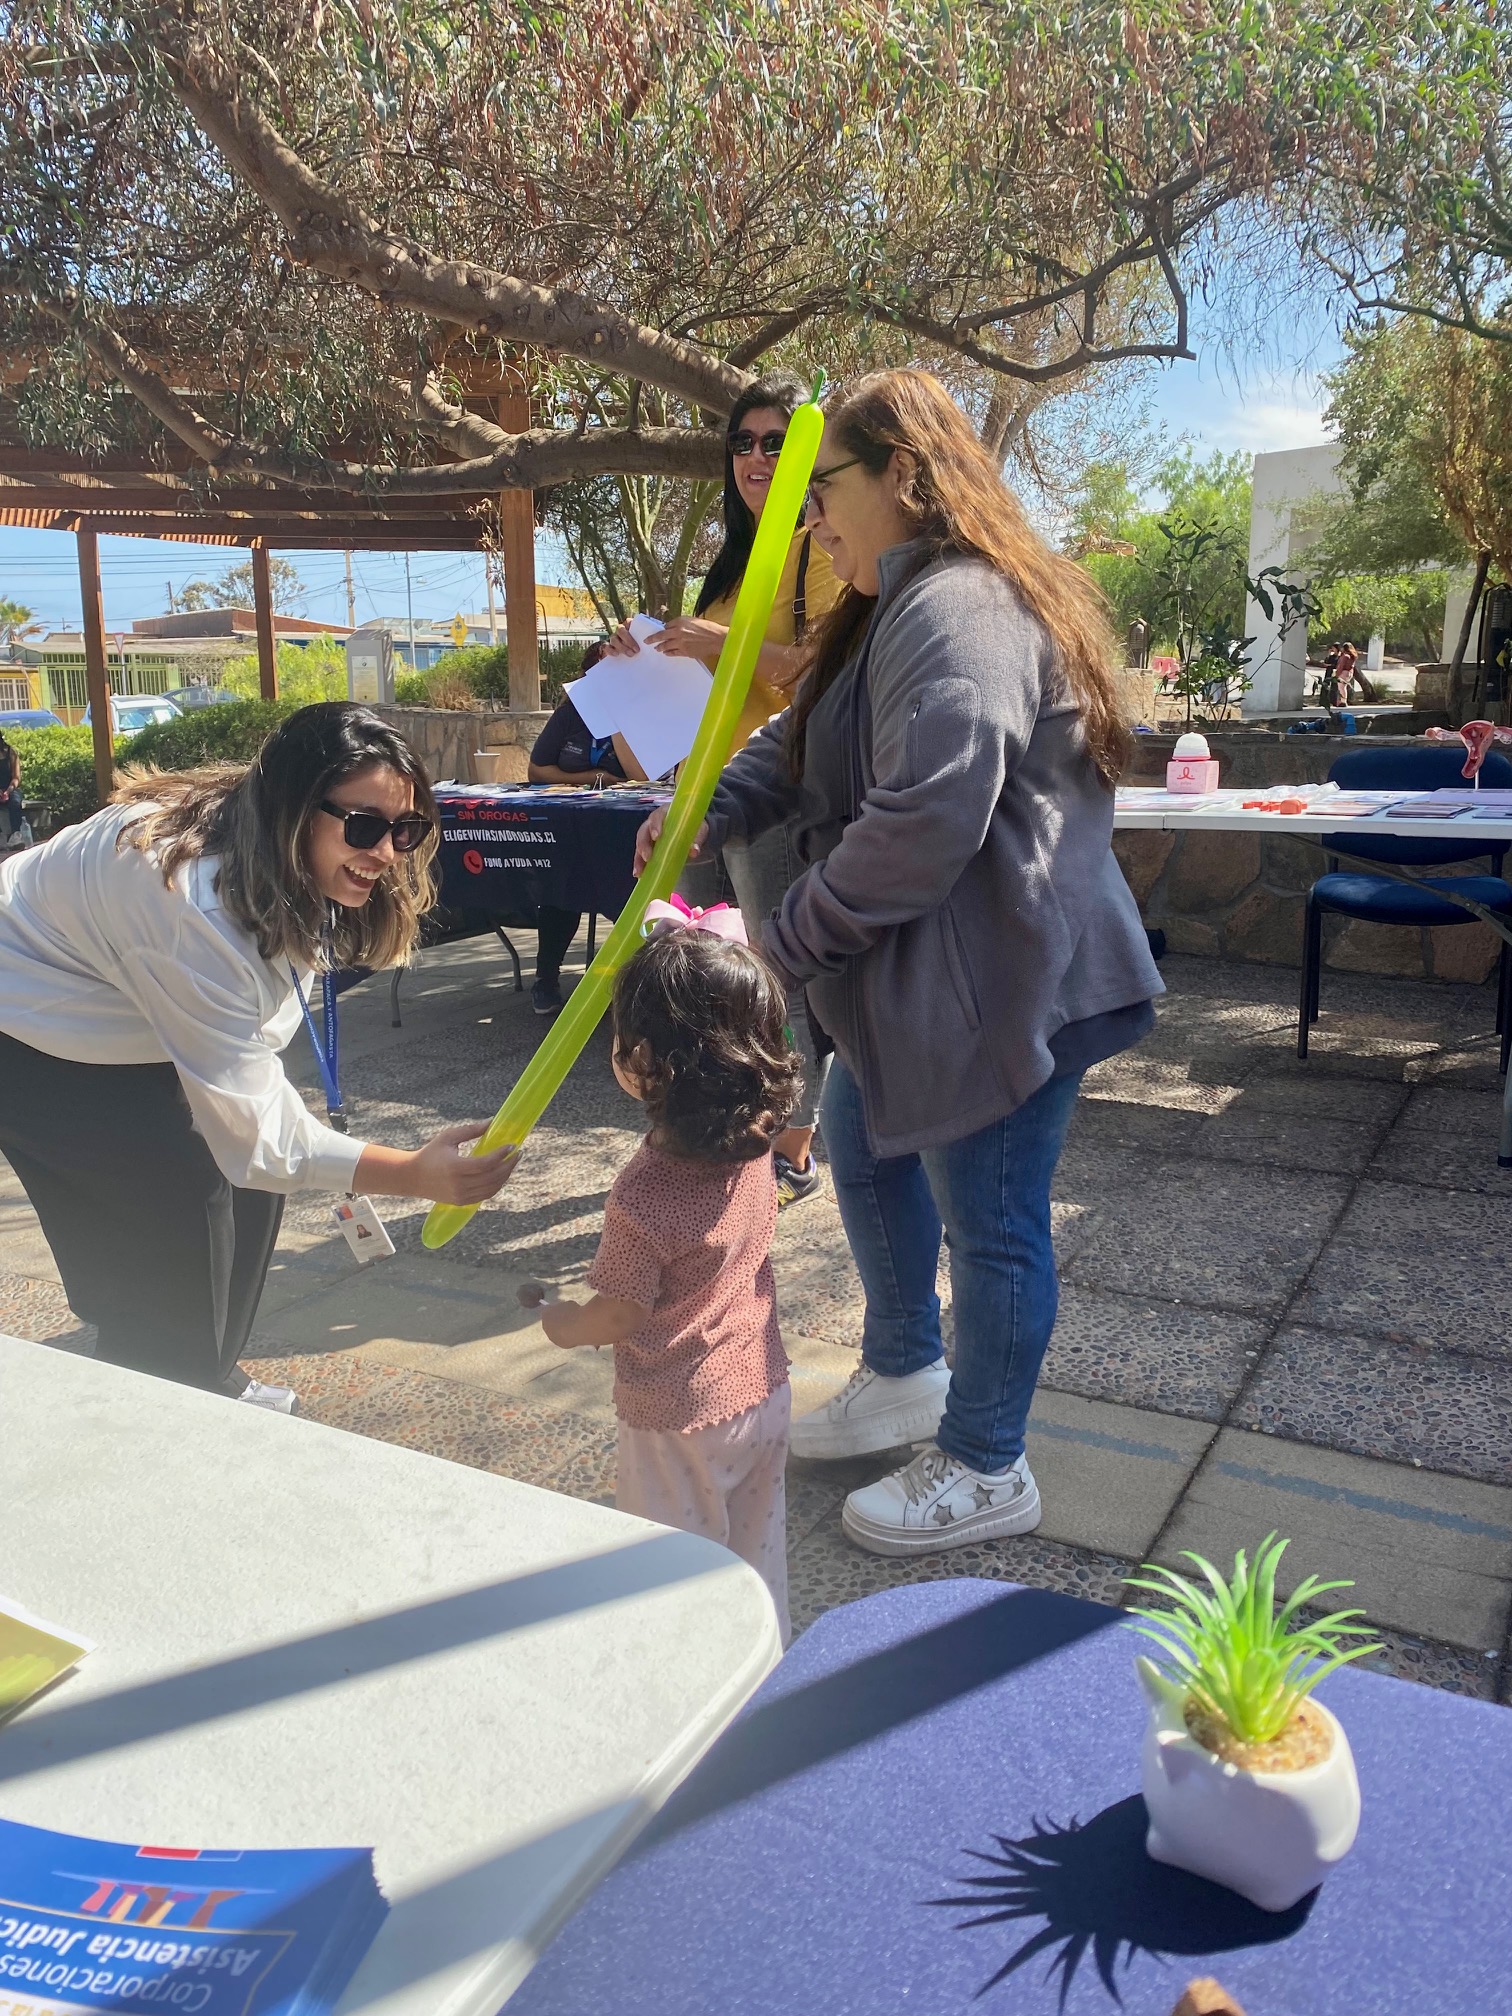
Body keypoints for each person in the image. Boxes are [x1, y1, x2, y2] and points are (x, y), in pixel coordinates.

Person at [633, 368, 1163, 1557]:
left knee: (994, 1224)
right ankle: (906, 1372)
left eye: (822, 486)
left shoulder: (960, 606)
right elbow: (793, 737)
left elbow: (929, 815)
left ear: (906, 479)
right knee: (867, 1161)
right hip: (926, 991)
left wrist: (781, 952)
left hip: (1009, 993)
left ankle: (987, 1462)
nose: (804, 514)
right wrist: (706, 809)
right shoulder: (884, 606)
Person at [0, 702, 519, 1409]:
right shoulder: (192, 905)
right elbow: (258, 1143)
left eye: (407, 828)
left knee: (242, 1193)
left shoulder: (262, 829)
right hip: (30, 1013)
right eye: (364, 828)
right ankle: (163, 1401)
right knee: (170, 1214)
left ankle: (207, 1374)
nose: (387, 854)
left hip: (115, 984)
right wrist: (413, 1175)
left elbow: (254, 1106)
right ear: (295, 806)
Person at [523, 914, 801, 1640]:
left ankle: (690, 1673)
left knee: (673, 1568)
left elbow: (618, 1313)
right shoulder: (758, 1140)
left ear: (638, 1060)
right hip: (763, 1385)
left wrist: (560, 1321)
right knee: (755, 1543)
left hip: (678, 1414)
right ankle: (762, 1652)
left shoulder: (643, 1194)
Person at [605, 373, 841, 1208]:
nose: (755, 456)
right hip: (701, 788)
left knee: (774, 976)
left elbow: (817, 674)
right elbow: (715, 675)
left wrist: (716, 637)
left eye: (775, 441)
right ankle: (718, 1137)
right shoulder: (736, 561)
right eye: (741, 442)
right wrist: (646, 658)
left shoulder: (821, 547)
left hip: (773, 789)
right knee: (702, 975)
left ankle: (791, 1148)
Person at [525, 640, 627, 1017]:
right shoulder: (570, 714)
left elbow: (643, 775)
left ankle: (638, 982)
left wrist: (617, 720)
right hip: (572, 824)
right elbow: (538, 770)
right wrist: (595, 776)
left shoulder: (641, 712)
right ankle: (546, 980)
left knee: (627, 889)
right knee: (560, 883)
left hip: (624, 827)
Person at [0, 732, 23, 846]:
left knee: (15, 802)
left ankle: (16, 834)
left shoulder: (11, 753)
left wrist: (8, 791)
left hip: (10, 788)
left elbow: (16, 777)